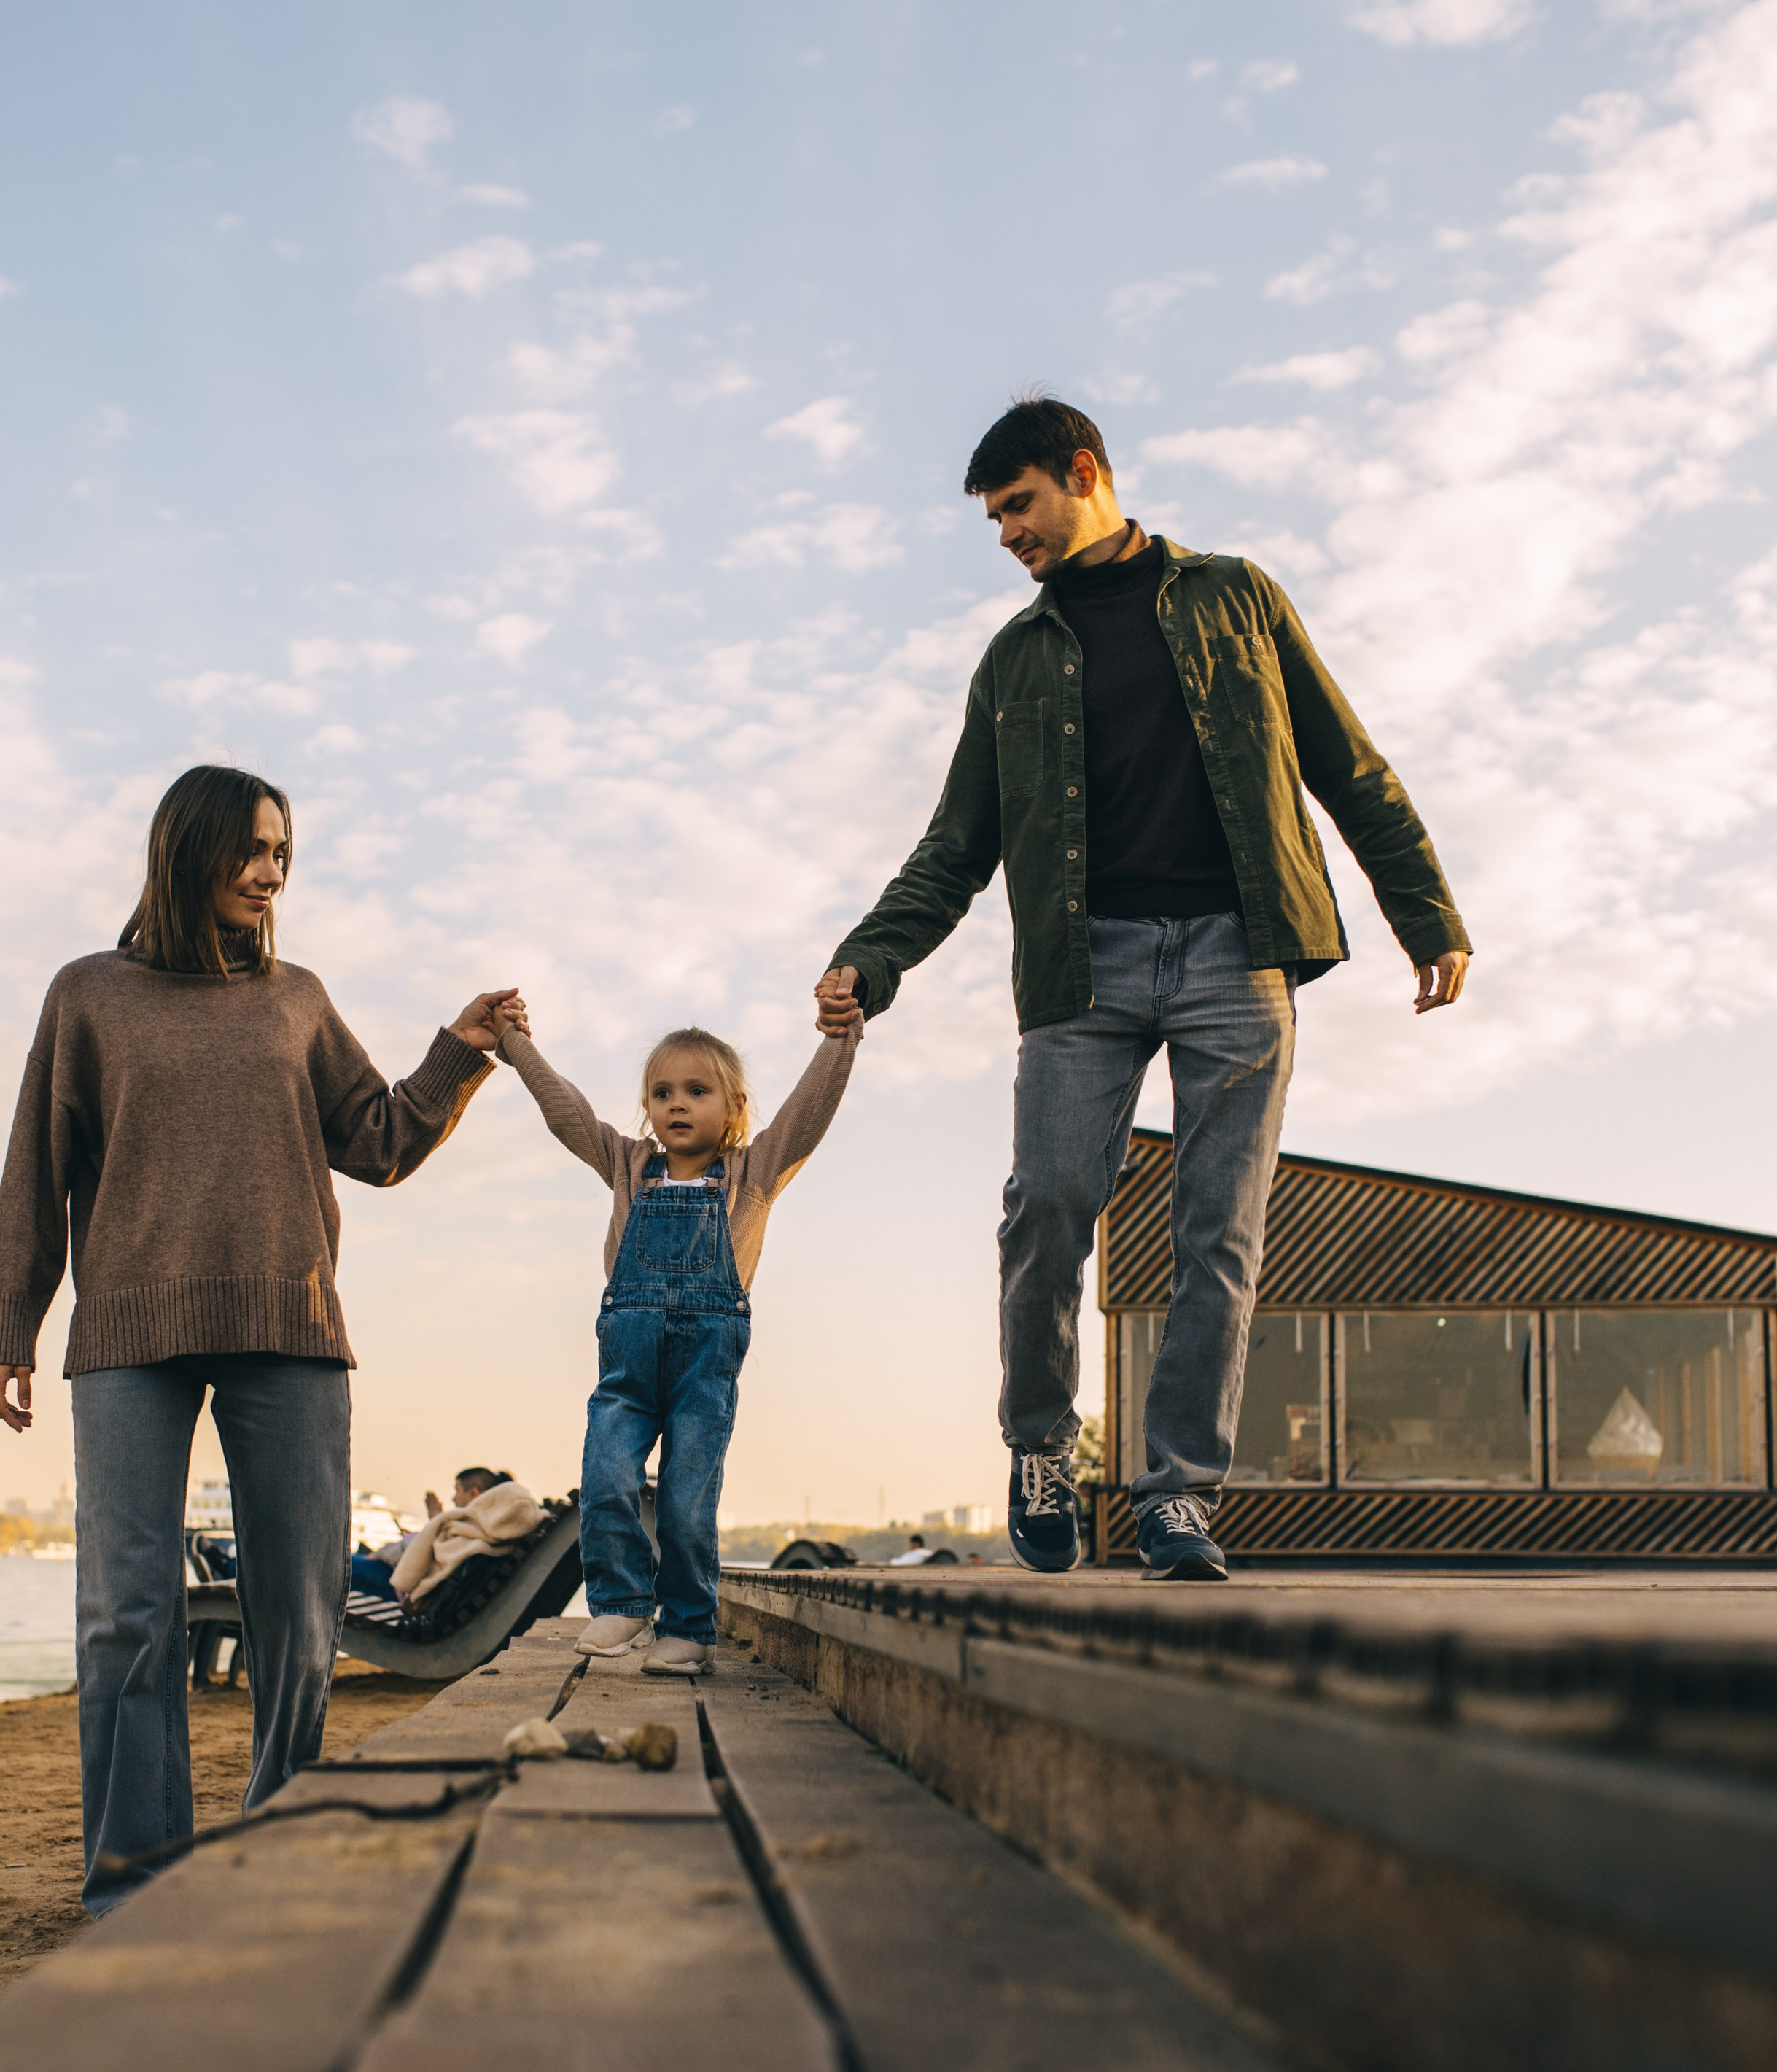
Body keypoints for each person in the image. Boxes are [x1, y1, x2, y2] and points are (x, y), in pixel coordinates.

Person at [815, 395, 1469, 1585]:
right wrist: (873, 955)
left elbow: (1344, 760)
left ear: (1082, 473)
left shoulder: (1236, 595)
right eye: (995, 519)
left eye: (1018, 506)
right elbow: (956, 844)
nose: (1008, 536)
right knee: (1048, 1207)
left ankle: (1175, 1497)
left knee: (1219, 1234)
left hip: (1241, 953)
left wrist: (1423, 908)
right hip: (1084, 968)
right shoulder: (1015, 659)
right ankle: (1039, 1451)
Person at [0, 764, 526, 1909]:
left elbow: (377, 1139)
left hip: (290, 1323)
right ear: (193, 850)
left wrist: (458, 1049)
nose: (274, 871)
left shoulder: (298, 998)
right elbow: (36, 1162)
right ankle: (134, 1881)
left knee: (300, 1609)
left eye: (284, 851)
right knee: (127, 1609)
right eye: (254, 848)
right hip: (129, 1330)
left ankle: (275, 1840)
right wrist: (9, 1323)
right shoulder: (88, 995)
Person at [496, 1014, 860, 1673]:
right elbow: (566, 1112)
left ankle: (688, 1627)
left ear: (735, 1108)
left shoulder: (753, 1174)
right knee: (605, 1478)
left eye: (697, 1091)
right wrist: (517, 1046)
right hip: (628, 1365)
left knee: (687, 1504)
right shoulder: (629, 1165)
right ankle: (623, 1604)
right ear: (647, 1110)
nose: (677, 1104)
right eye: (662, 1093)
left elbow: (810, 1112)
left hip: (705, 1368)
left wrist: (842, 1038)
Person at [349, 1465, 505, 1596]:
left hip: (399, 1583)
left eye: (457, 1490)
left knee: (340, 1565)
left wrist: (436, 1522)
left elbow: (423, 1555)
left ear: (473, 1492)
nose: (453, 1498)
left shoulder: (471, 1528)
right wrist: (435, 1522)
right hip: (402, 1578)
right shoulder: (480, 1528)